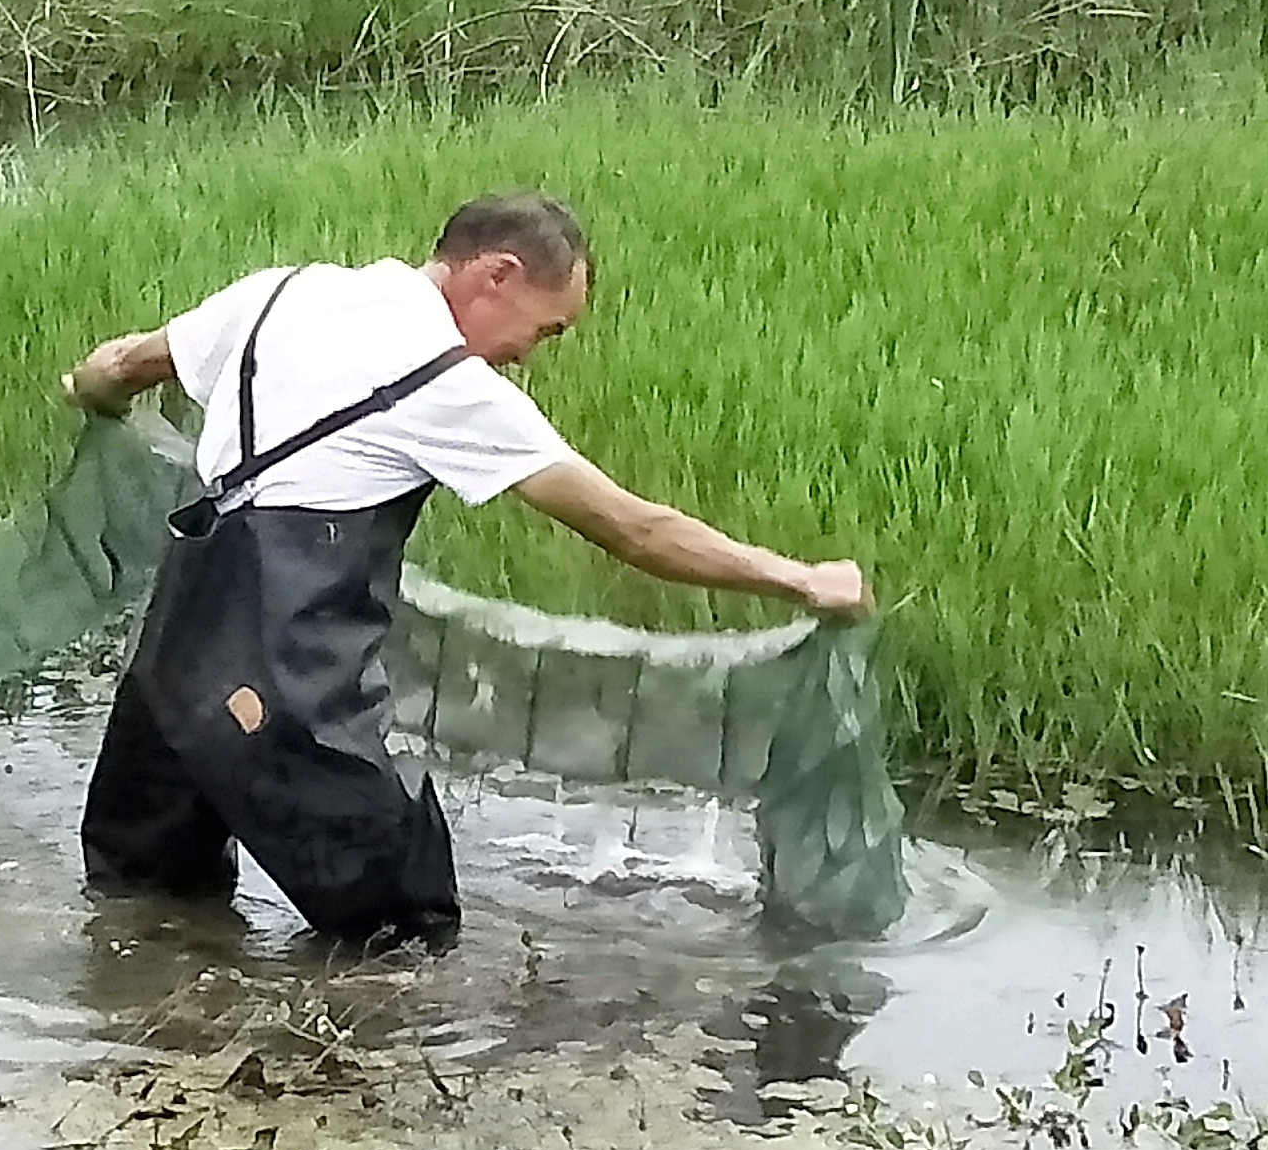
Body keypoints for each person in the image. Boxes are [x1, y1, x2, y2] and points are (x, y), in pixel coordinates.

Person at [59, 191, 870, 950]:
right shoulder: (444, 385)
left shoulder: (281, 293)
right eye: (545, 331)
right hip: (281, 694)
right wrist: (800, 579)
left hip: (171, 676)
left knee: (142, 904)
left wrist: (91, 393)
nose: (526, 358)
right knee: (404, 929)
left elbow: (125, 366)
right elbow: (632, 529)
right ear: (497, 275)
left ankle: (142, 1052)